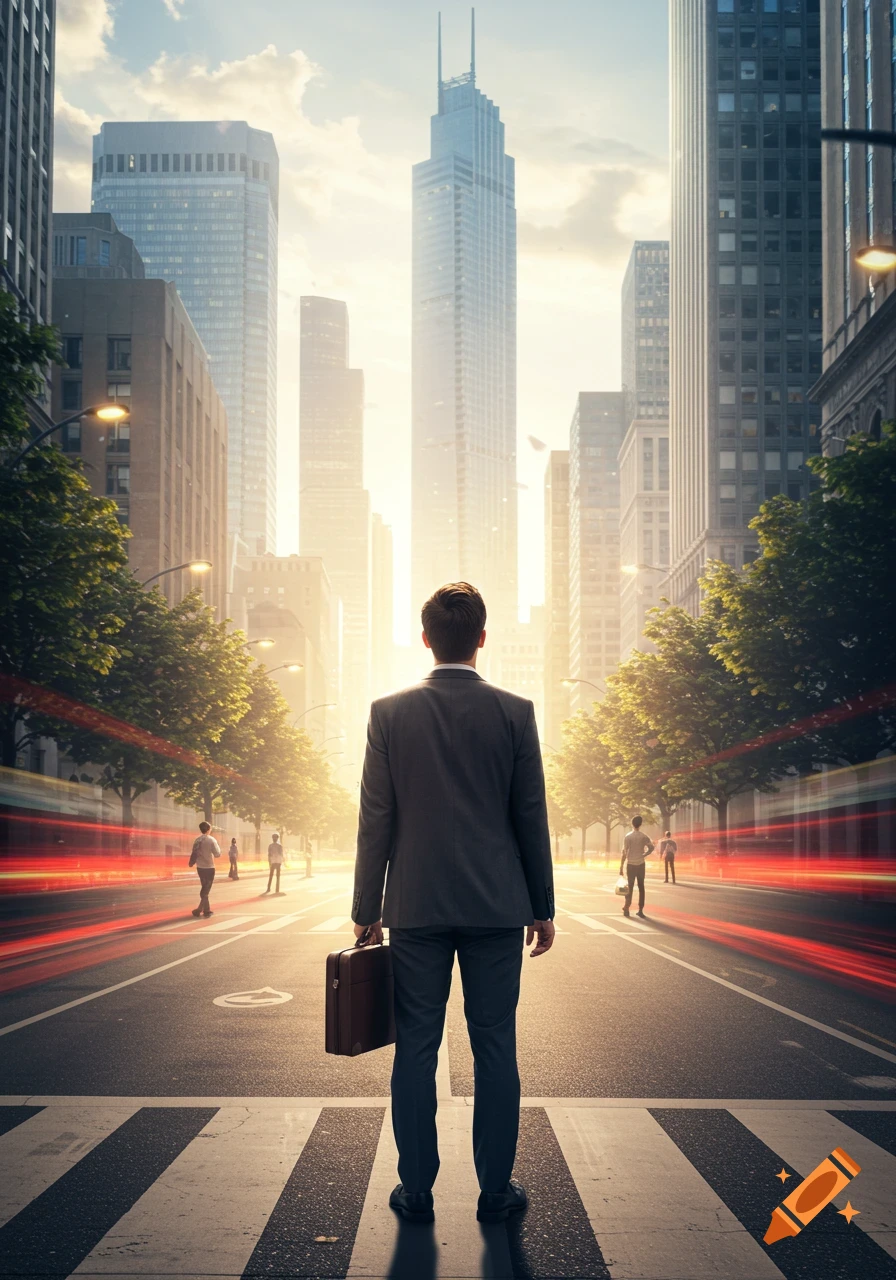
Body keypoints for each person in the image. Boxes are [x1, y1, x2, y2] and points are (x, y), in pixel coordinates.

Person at [352, 582, 555, 1227]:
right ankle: (496, 1192)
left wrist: (366, 907)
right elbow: (531, 818)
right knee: (495, 1044)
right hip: (498, 905)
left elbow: (374, 819)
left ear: (425, 638)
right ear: (482, 639)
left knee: (415, 1045)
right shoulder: (516, 712)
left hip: (415, 904)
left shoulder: (389, 713)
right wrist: (542, 905)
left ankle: (416, 1191)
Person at [620, 815, 654, 919]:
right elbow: (651, 848)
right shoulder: (644, 836)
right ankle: (640, 909)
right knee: (641, 887)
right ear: (640, 824)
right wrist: (644, 854)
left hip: (630, 864)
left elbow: (624, 852)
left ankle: (627, 908)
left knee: (629, 887)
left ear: (632, 824)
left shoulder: (628, 836)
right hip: (641, 864)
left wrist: (621, 867)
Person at [190, 821, 220, 917]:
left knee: (204, 887)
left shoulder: (197, 840)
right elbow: (217, 854)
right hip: (209, 868)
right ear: (208, 829)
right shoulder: (211, 840)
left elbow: (194, 853)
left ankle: (204, 910)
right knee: (206, 889)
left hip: (200, 868)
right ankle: (201, 910)